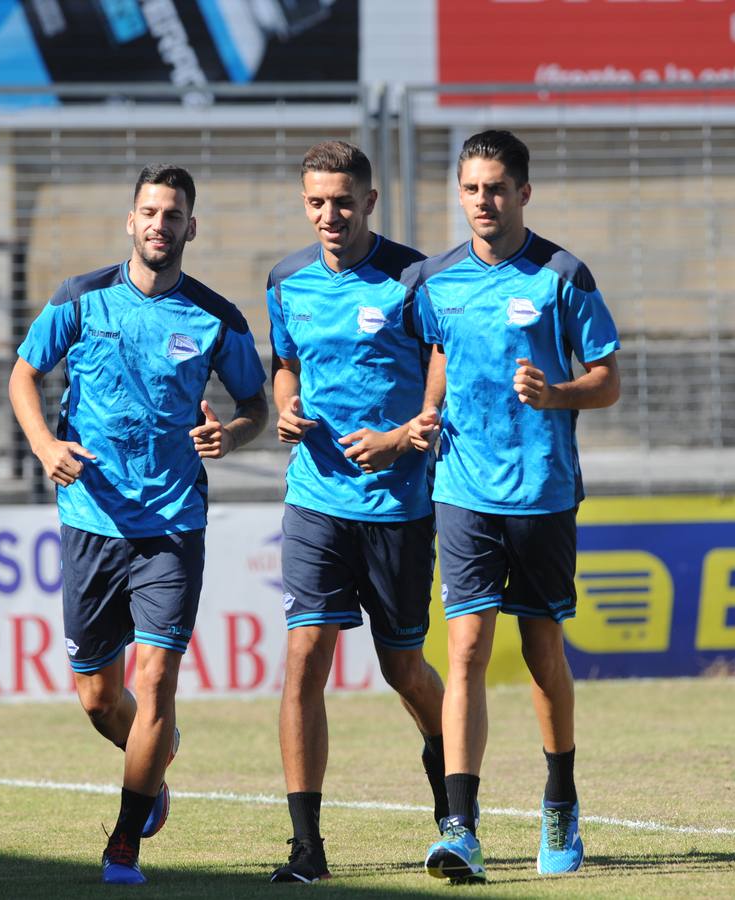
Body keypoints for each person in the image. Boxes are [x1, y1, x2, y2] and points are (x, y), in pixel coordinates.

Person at [9, 164, 268, 886]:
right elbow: (24, 374)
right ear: (131, 221)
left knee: (156, 680)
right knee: (98, 695)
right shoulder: (82, 299)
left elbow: (256, 405)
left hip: (173, 524)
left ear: (192, 227)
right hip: (92, 516)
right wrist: (44, 445)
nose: (160, 224)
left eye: (174, 214)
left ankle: (125, 840)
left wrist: (233, 435)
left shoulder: (217, 317)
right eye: (149, 212)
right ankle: (154, 758)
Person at [409, 130, 621, 883]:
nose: (482, 201)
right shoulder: (436, 280)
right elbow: (438, 351)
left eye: (495, 188)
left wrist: (556, 394)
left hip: (540, 492)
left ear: (523, 193)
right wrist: (428, 413)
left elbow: (607, 379)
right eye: (470, 188)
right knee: (464, 649)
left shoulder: (563, 275)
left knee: (540, 652)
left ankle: (560, 796)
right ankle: (460, 826)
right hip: (461, 488)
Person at [264, 140, 448, 883]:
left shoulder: (415, 278)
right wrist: (285, 409)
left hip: (399, 506)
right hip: (315, 501)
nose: (329, 215)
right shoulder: (286, 279)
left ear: (370, 201)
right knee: (305, 658)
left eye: (343, 201)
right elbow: (285, 363)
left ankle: (454, 806)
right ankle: (307, 849)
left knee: (403, 667)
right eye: (316, 202)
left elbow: (445, 371)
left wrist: (405, 436)